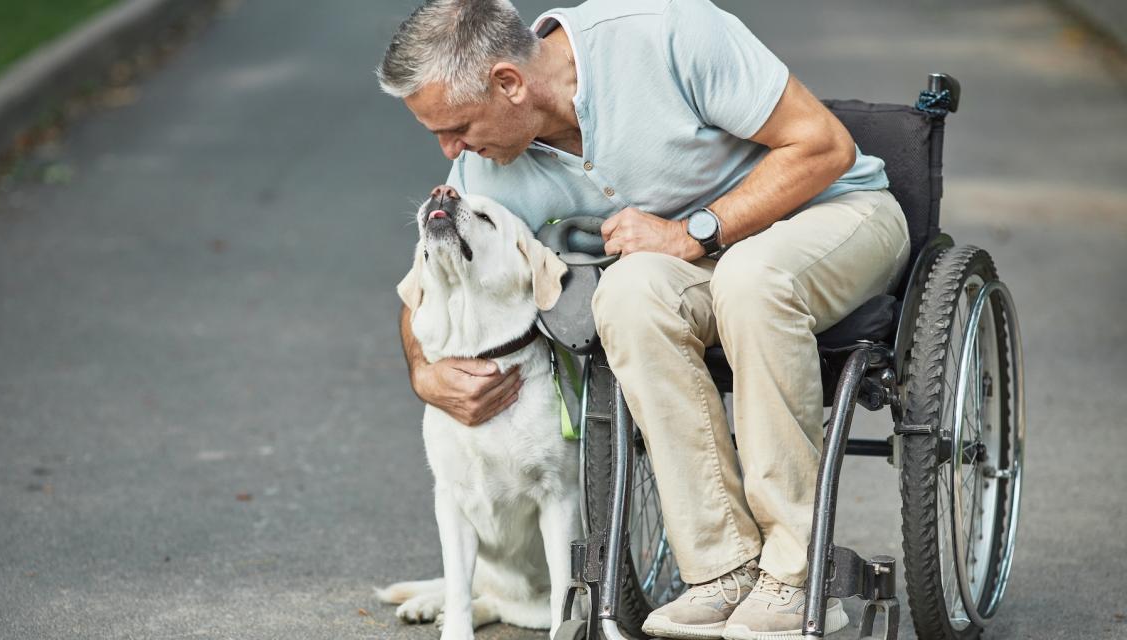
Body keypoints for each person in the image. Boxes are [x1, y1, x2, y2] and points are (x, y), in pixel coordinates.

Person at [377, 0, 910, 637]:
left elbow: (822, 145)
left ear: (509, 83)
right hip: (697, 267)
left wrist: (697, 231)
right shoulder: (487, 174)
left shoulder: (668, 33)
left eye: (456, 126)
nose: (449, 149)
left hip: (833, 215)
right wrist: (424, 372)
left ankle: (795, 575)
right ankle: (722, 567)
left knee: (748, 278)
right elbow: (427, 285)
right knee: (624, 294)